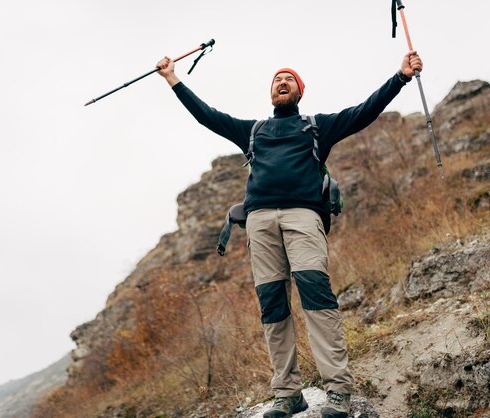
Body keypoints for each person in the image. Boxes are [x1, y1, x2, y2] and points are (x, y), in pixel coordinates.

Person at [156, 50, 423, 418]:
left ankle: (338, 392)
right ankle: (287, 394)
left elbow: (364, 112)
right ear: (271, 93)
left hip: (302, 216)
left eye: (289, 80)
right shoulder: (252, 131)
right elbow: (208, 116)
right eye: (276, 80)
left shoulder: (317, 126)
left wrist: (401, 76)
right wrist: (173, 79)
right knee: (273, 306)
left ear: (300, 91)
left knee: (316, 294)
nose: (282, 83)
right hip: (260, 222)